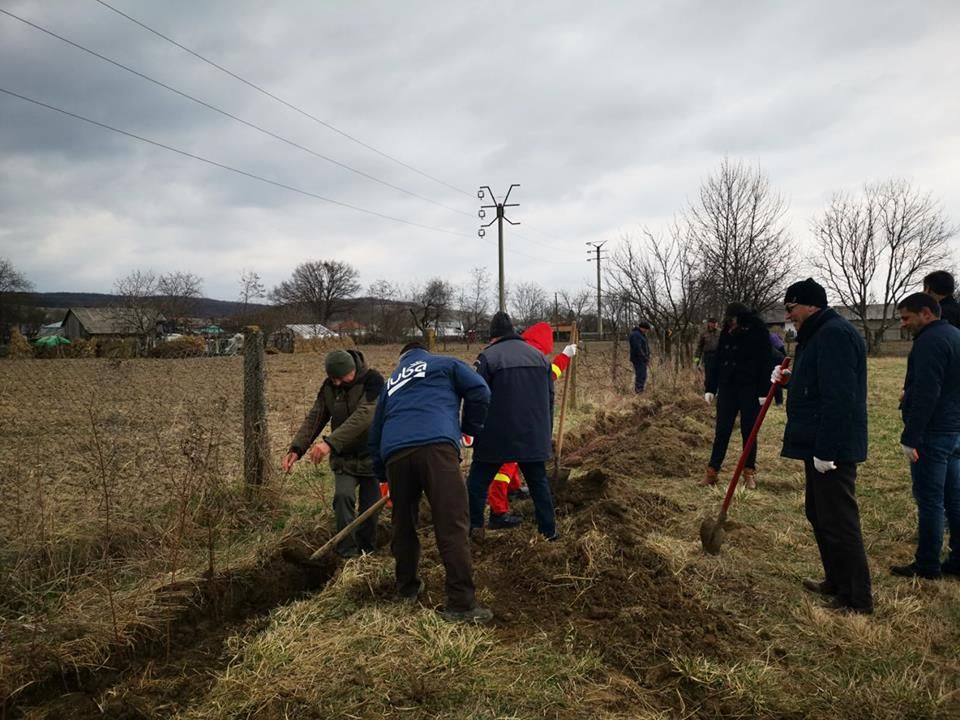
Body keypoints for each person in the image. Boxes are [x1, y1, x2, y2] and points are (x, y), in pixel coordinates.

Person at [367, 341, 493, 624]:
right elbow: (480, 390)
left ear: (403, 360)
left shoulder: (391, 384)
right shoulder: (445, 364)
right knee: (451, 522)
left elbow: (374, 434)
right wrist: (469, 429)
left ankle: (407, 589)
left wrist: (383, 475)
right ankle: (461, 603)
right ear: (425, 353)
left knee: (403, 524)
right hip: (437, 447)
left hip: (395, 455)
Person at [774, 278, 873, 614]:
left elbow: (840, 397)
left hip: (832, 447)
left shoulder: (834, 335)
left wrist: (827, 450)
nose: (788, 315)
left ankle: (857, 599)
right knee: (819, 514)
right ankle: (836, 580)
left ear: (811, 305)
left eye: (791, 308)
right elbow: (816, 384)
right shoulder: (816, 334)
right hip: (817, 442)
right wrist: (789, 380)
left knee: (840, 521)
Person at [282, 349, 384, 559]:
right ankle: (347, 555)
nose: (337, 383)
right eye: (333, 378)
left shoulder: (373, 381)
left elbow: (365, 416)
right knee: (342, 497)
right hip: (344, 458)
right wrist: (296, 449)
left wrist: (330, 443)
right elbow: (316, 417)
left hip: (371, 457)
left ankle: (367, 553)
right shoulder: (330, 387)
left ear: (353, 369)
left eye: (341, 377)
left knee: (370, 509)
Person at [467, 312, 557, 541]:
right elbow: (549, 398)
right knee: (539, 484)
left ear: (493, 336)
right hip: (533, 435)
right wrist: (545, 432)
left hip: (495, 435)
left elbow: (476, 397)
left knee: (477, 483)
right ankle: (549, 531)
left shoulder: (488, 357)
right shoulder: (540, 358)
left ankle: (474, 527)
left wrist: (471, 429)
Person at [891, 292, 960, 580]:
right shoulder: (955, 336)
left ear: (926, 313)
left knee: (931, 501)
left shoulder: (929, 342)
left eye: (906, 317)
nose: (903, 324)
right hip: (954, 430)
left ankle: (928, 565)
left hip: (933, 433)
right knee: (954, 498)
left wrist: (911, 437)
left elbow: (927, 391)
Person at [485, 321, 576, 528]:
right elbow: (550, 375)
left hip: (513, 418)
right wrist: (564, 356)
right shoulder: (532, 354)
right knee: (504, 467)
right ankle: (498, 512)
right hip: (511, 421)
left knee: (513, 459)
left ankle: (513, 489)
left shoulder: (518, 350)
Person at [702, 303, 772, 489]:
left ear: (741, 318)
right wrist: (711, 387)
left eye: (732, 320)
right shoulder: (726, 331)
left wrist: (764, 391)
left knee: (749, 431)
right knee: (722, 430)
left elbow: (765, 361)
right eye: (728, 320)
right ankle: (712, 471)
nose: (729, 323)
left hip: (750, 388)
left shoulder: (758, 330)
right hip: (727, 387)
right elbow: (718, 359)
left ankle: (748, 472)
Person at [695, 318, 721, 392]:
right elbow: (699, 347)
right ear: (709, 324)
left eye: (716, 323)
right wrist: (697, 360)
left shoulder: (720, 332)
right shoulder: (704, 334)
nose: (715, 324)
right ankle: (708, 392)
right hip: (708, 356)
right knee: (709, 375)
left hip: (718, 356)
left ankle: (718, 392)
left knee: (718, 374)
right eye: (713, 323)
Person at [629, 321, 652, 394]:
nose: (647, 331)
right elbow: (637, 348)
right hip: (638, 359)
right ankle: (639, 391)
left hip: (642, 359)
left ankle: (640, 390)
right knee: (640, 375)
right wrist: (644, 356)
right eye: (646, 329)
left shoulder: (641, 335)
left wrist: (647, 356)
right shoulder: (636, 335)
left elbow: (644, 346)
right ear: (642, 328)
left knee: (643, 374)